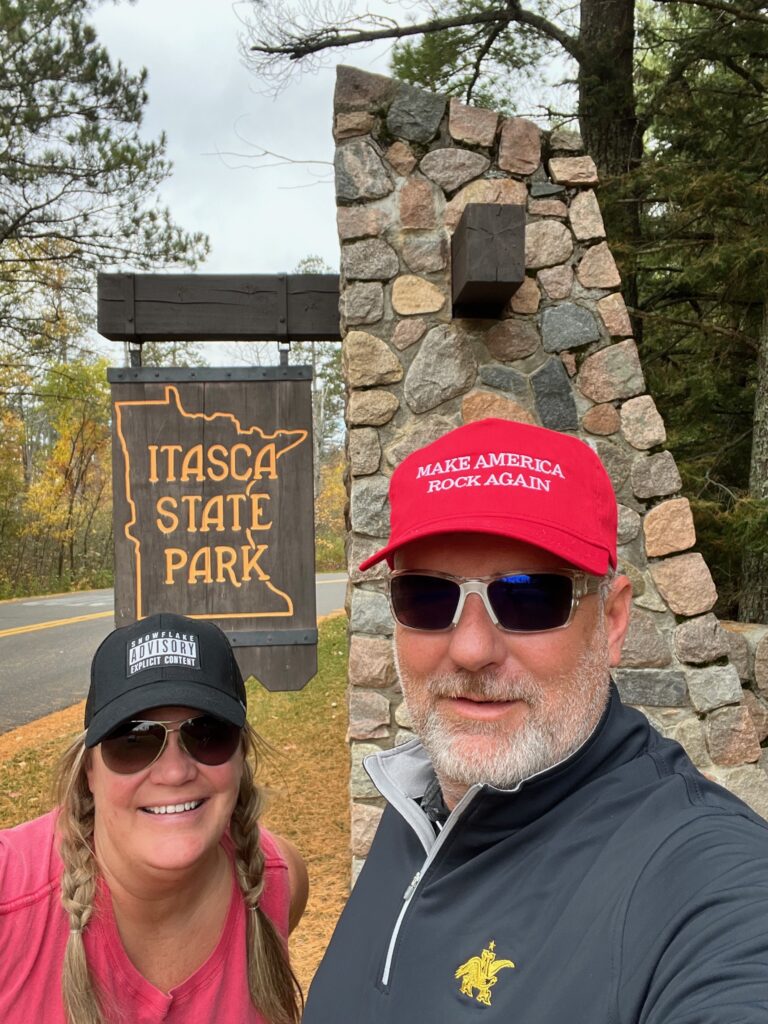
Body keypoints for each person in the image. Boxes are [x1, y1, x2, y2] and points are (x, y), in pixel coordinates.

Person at [303, 417, 768, 1023]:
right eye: (427, 595)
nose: (471, 649)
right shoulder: (423, 799)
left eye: (528, 597)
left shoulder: (703, 879)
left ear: (614, 622)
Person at [0, 611, 308, 1024]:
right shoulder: (9, 894)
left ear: (240, 757)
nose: (175, 772)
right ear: (89, 770)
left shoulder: (277, 880)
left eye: (208, 734)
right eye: (135, 740)